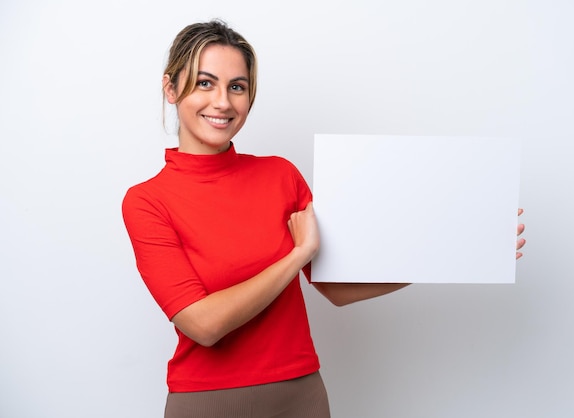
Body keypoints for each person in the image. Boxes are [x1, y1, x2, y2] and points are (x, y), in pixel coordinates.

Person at [122, 19, 526, 418]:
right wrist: (297, 256)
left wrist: (452, 251)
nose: (223, 102)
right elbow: (204, 325)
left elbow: (336, 288)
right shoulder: (147, 202)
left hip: (301, 397)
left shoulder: (280, 175)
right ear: (171, 89)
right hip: (207, 403)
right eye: (205, 83)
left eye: (237, 86)